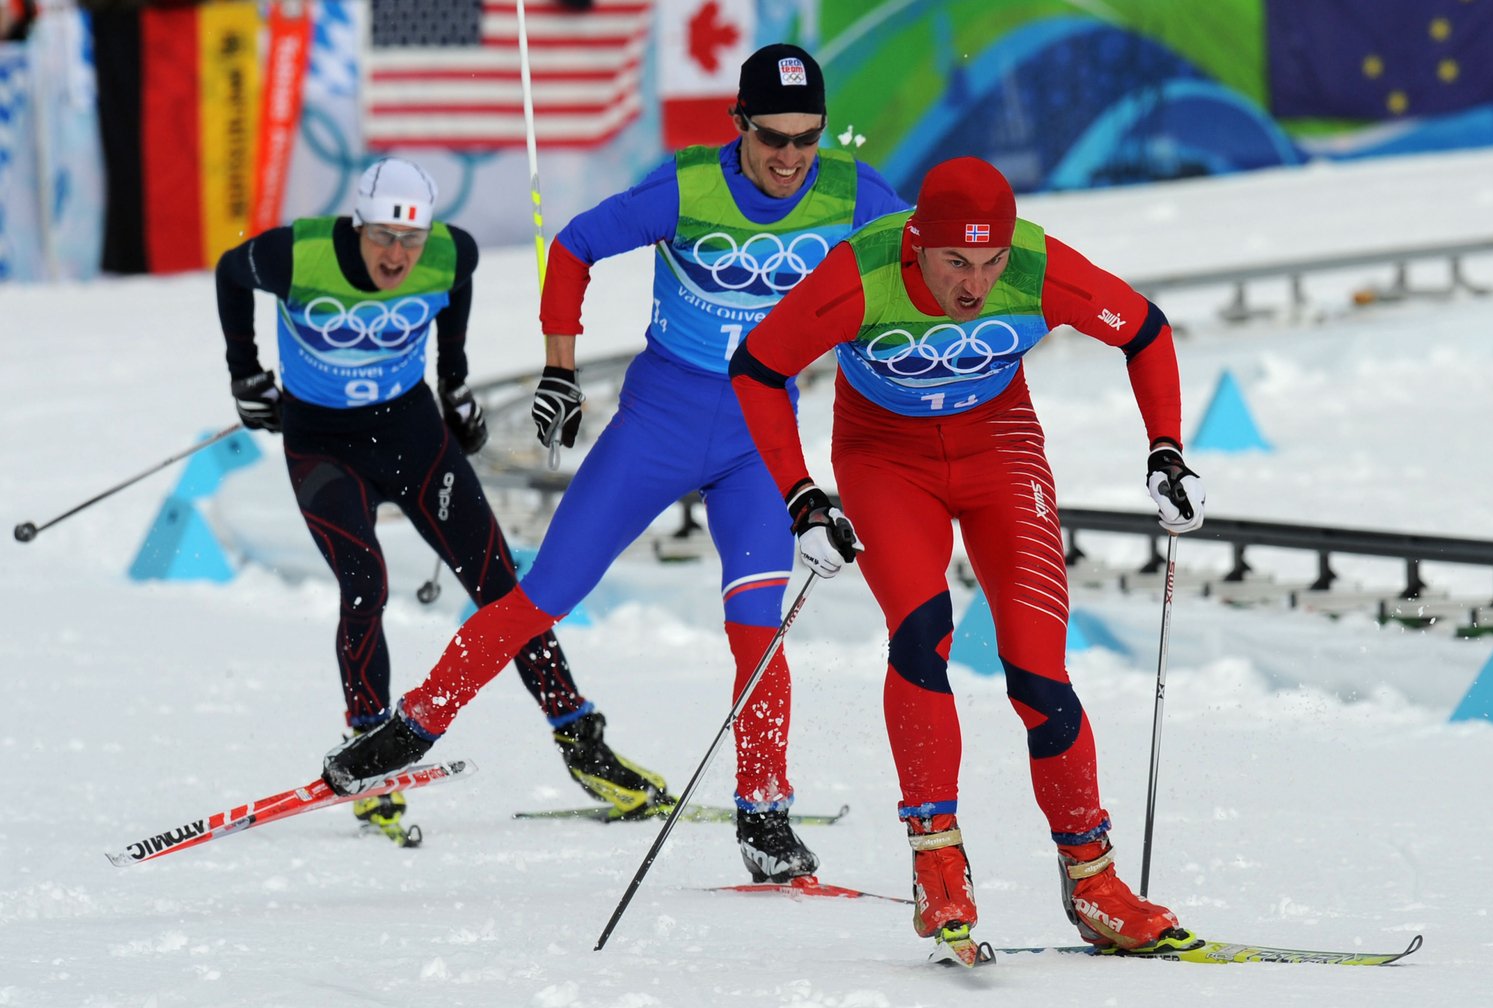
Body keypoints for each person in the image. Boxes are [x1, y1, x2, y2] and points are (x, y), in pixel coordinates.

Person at [321, 45, 909, 882]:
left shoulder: (854, 194)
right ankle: (413, 724)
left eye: (807, 138)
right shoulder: (689, 187)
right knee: (542, 595)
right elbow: (574, 248)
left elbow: (920, 269)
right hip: (658, 425)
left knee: (758, 631)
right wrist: (561, 368)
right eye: (772, 137)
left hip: (758, 445)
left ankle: (765, 813)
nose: (789, 158)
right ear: (738, 123)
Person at [726, 156, 1207, 954]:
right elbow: (757, 367)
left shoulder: (1041, 266)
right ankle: (937, 859)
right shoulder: (862, 271)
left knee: (1038, 666)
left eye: (992, 262)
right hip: (885, 458)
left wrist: (1166, 451)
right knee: (923, 634)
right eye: (957, 261)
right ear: (917, 244)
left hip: (1000, 448)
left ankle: (1095, 881)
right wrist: (802, 498)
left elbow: (1147, 331)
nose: (976, 284)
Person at [215, 158, 668, 844]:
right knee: (364, 580)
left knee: (502, 588)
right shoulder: (296, 254)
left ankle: (583, 743)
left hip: (410, 433)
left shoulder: (452, 253)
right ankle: (370, 754)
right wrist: (245, 371)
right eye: (382, 239)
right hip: (322, 444)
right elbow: (228, 270)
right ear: (357, 225)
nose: (397, 256)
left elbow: (455, 290)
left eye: (410, 241)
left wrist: (453, 383)